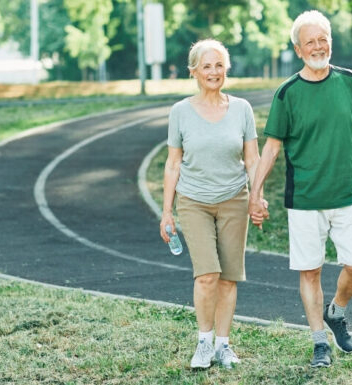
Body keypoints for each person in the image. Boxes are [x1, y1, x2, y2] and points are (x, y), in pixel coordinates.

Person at [248, 10, 352, 368]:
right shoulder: (287, 94)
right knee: (310, 271)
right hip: (305, 199)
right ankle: (319, 343)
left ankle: (336, 311)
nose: (317, 46)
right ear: (298, 48)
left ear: (330, 41)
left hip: (349, 194)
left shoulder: (350, 81)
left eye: (322, 39)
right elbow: (272, 148)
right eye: (309, 41)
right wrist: (255, 193)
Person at [160, 39, 262, 369]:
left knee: (229, 277)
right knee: (207, 275)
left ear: (226, 69)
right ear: (194, 71)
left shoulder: (242, 109)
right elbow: (173, 163)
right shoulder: (180, 112)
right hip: (194, 202)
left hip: (234, 198)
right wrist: (166, 212)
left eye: (219, 65)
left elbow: (252, 159)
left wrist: (257, 197)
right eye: (207, 66)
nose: (214, 72)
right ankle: (203, 343)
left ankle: (223, 345)